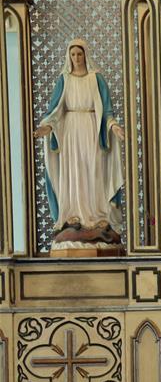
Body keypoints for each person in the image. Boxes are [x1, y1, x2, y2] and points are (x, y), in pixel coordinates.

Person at [34, 38, 125, 250]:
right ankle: (73, 215)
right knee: (74, 173)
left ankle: (97, 216)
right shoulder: (64, 80)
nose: (76, 58)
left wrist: (114, 127)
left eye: (80, 54)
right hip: (71, 132)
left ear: (85, 54)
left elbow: (107, 110)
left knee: (94, 171)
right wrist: (46, 128)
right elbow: (55, 111)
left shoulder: (96, 78)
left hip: (92, 130)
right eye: (73, 54)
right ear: (69, 56)